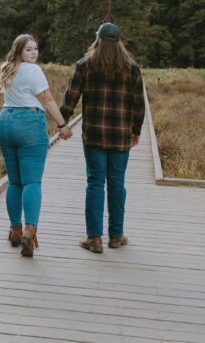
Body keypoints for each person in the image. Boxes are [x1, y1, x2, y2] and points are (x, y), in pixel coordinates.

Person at [59, 22, 145, 253]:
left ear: (97, 39)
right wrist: (136, 131)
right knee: (117, 183)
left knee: (95, 183)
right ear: (119, 42)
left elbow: (71, 98)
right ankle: (116, 236)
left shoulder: (85, 65)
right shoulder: (132, 68)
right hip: (120, 136)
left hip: (94, 135)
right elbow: (139, 104)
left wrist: (62, 122)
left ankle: (94, 238)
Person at [0, 34, 72, 257]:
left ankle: (15, 230)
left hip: (5, 122)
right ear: (19, 50)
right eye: (29, 49)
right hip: (28, 123)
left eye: (36, 49)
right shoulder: (33, 70)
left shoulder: (6, 68)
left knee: (15, 181)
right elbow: (46, 99)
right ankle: (30, 231)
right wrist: (62, 125)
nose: (34, 53)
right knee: (31, 181)